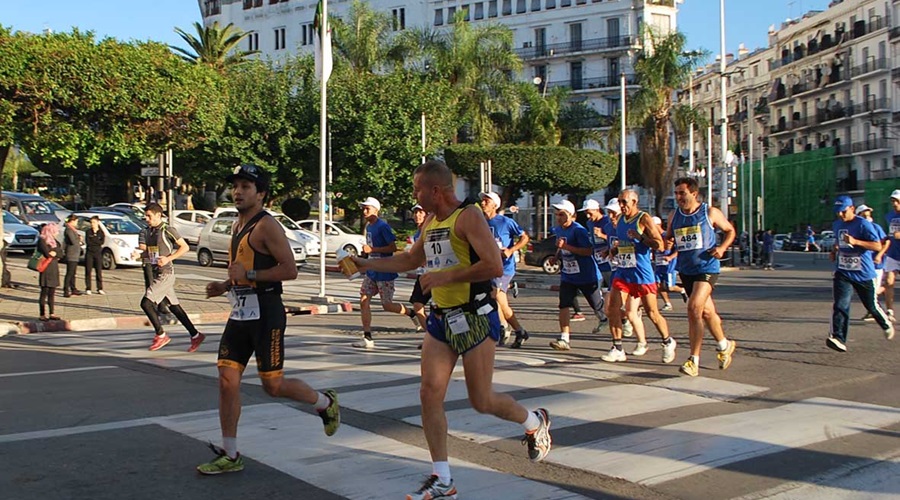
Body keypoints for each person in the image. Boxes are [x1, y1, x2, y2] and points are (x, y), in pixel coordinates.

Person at [350, 160, 551, 499]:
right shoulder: (431, 221)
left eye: (417, 190)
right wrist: (365, 263)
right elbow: (410, 260)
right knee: (429, 393)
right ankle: (442, 478)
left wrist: (446, 276)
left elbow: (493, 265)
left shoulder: (468, 216)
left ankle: (533, 422)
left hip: (475, 316)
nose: (414, 196)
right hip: (442, 319)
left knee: (482, 400)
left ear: (435, 191)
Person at [197, 164, 341, 475]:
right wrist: (224, 285)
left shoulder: (267, 226)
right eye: (235, 186)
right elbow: (239, 270)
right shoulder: (237, 225)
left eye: (246, 187)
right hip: (241, 312)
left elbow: (290, 269)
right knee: (226, 380)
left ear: (261, 193)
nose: (237, 192)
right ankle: (230, 454)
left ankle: (324, 403)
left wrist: (249, 275)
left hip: (266, 312)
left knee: (272, 386)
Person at [665, 178, 736, 377]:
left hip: (707, 267)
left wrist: (722, 248)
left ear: (694, 194)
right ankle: (724, 345)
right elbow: (669, 237)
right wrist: (668, 242)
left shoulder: (709, 212)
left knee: (694, 307)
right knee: (706, 312)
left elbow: (730, 230)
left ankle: (693, 360)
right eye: (676, 193)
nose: (678, 197)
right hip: (686, 269)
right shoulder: (674, 215)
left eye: (682, 193)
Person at [602, 190, 676, 364]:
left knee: (652, 313)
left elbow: (659, 245)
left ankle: (667, 341)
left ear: (634, 202)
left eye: (624, 202)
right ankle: (617, 348)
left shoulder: (643, 218)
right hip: (623, 272)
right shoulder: (620, 219)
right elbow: (624, 243)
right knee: (613, 309)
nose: (621, 206)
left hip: (642, 273)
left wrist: (640, 237)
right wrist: (612, 250)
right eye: (620, 202)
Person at [827, 195, 894, 352]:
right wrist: (834, 251)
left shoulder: (863, 224)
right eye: (838, 212)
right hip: (843, 271)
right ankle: (838, 338)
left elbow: (877, 246)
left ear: (852, 208)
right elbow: (838, 241)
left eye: (843, 211)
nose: (841, 215)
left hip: (863, 273)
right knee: (840, 304)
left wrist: (856, 242)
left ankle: (885, 324)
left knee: (871, 305)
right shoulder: (837, 224)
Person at [134, 203, 205, 352]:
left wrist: (169, 258)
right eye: (146, 216)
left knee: (146, 303)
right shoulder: (149, 231)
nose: (147, 219)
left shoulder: (167, 230)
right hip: (157, 273)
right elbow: (151, 254)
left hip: (166, 274)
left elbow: (185, 247)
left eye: (149, 216)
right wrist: (139, 255)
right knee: (175, 307)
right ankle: (196, 335)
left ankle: (161, 335)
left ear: (158, 215)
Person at [353, 196, 419, 349]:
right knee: (363, 299)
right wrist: (362, 259)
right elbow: (369, 249)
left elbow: (392, 247)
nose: (364, 211)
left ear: (376, 210)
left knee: (387, 305)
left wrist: (373, 250)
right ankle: (367, 336)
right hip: (372, 270)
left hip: (385, 270)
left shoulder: (383, 226)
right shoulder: (368, 227)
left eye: (367, 208)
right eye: (363, 208)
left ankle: (411, 313)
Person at [548, 200, 606, 351]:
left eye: (562, 214)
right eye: (557, 214)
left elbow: (588, 251)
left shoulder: (578, 230)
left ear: (571, 215)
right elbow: (561, 247)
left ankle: (616, 320)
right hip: (568, 275)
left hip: (587, 275)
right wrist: (556, 257)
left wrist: (566, 247)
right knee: (564, 304)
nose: (558, 218)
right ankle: (564, 338)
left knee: (598, 307)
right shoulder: (558, 229)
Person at [480, 191, 530, 347]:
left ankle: (504, 327)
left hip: (504, 268)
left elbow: (524, 237)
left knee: (494, 296)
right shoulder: (480, 223)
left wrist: (511, 250)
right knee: (499, 302)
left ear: (495, 205)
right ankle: (517, 330)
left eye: (486, 201)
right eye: (482, 201)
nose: (483, 203)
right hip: (488, 267)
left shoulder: (505, 222)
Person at [855, 204, 890, 322]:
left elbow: (886, 242)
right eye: (864, 215)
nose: (867, 217)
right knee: (865, 289)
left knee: (872, 291)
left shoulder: (875, 227)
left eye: (868, 214)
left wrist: (879, 255)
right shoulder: (857, 229)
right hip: (863, 264)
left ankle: (878, 315)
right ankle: (884, 289)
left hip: (876, 264)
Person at [652, 216, 688, 311]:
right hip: (659, 264)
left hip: (669, 266)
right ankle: (667, 303)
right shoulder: (653, 237)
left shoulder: (667, 235)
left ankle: (682, 290)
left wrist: (670, 257)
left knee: (669, 287)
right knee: (657, 285)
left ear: (658, 225)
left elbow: (679, 248)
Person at [407, 204, 430, 342]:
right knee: (417, 305)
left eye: (421, 212)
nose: (417, 215)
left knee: (441, 309)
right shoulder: (417, 233)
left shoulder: (430, 229)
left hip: (435, 274)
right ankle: (430, 336)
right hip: (422, 274)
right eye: (415, 212)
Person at [881, 189, 900, 322]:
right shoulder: (889, 216)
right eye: (893, 201)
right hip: (893, 254)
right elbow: (889, 234)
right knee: (888, 282)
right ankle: (889, 311)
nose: (894, 204)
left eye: (897, 201)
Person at [37, 223, 61, 321]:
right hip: (45, 268)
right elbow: (47, 253)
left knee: (52, 292)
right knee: (44, 292)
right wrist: (53, 253)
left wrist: (55, 253)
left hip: (54, 268)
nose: (57, 233)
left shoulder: (55, 242)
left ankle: (52, 313)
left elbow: (61, 253)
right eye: (55, 231)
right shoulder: (42, 240)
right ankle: (42, 314)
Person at [84, 216, 105, 295]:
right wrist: (96, 240)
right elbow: (88, 242)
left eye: (94, 222)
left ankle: (99, 288)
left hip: (98, 253)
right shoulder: (88, 232)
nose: (92, 224)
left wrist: (94, 239)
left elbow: (101, 242)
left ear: (98, 223)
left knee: (98, 271)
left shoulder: (101, 232)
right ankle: (88, 288)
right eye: (91, 222)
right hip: (89, 253)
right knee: (88, 271)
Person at [62, 214, 83, 297]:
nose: (77, 223)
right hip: (71, 254)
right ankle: (66, 289)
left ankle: (73, 288)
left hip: (75, 253)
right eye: (76, 221)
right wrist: (79, 239)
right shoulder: (69, 230)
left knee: (73, 273)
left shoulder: (73, 229)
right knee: (69, 273)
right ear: (72, 221)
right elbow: (73, 241)